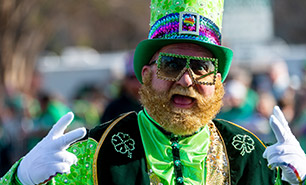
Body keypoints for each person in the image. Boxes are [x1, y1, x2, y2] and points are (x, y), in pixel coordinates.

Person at [1, 0, 306, 184]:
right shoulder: (94, 153)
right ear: (146, 76)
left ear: (217, 82)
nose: (186, 80)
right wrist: (20, 179)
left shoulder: (250, 154)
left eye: (201, 68)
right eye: (172, 65)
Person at [100, 50, 142, 123]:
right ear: (125, 80)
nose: (136, 83)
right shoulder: (113, 108)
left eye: (140, 78)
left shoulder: (157, 106)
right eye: (132, 78)